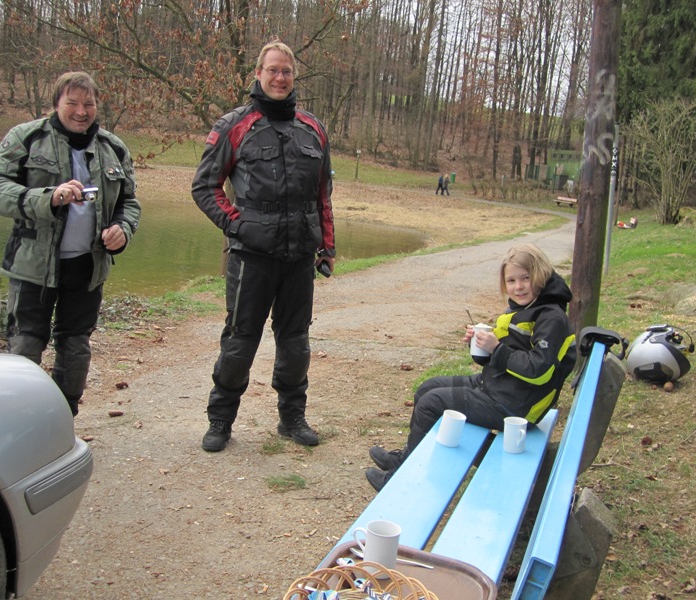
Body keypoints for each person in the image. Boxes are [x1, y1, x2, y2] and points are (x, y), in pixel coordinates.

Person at [192, 41, 335, 453]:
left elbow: (323, 194)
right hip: (250, 257)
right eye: (272, 70)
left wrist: (327, 246)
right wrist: (237, 224)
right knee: (240, 341)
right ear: (258, 73)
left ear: (294, 77)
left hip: (298, 258)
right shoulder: (234, 124)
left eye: (287, 71)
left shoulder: (314, 128)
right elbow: (205, 187)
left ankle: (292, 418)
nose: (279, 78)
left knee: (296, 344)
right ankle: (220, 419)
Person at [0, 71, 141, 417]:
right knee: (25, 343)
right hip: (33, 265)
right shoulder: (27, 137)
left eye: (89, 103)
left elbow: (129, 202)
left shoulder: (113, 147)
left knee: (75, 345)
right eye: (72, 103)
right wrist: (47, 198)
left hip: (87, 266)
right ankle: (19, 418)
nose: (81, 111)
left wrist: (122, 230)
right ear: (57, 103)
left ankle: (62, 417)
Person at [366, 244, 577, 491]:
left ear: (540, 275)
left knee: (431, 403)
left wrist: (497, 349)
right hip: (500, 388)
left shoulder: (550, 317)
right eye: (511, 280)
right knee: (426, 388)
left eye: (525, 279)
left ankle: (400, 479)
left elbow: (538, 370)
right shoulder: (527, 309)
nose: (518, 287)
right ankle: (404, 459)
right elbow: (501, 359)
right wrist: (481, 348)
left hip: (516, 407)